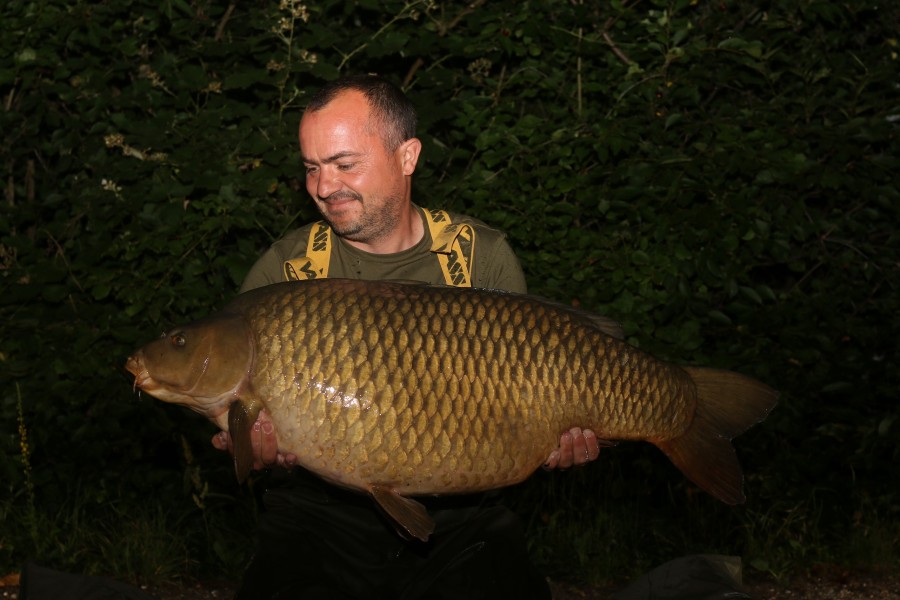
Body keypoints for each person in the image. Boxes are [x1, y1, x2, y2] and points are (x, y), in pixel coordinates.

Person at [213, 74, 602, 599]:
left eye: (345, 164)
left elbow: (523, 410)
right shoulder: (287, 270)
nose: (324, 187)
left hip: (465, 518)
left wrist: (556, 437)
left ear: (408, 156)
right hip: (318, 515)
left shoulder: (479, 256)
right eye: (312, 168)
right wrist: (254, 447)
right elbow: (237, 413)